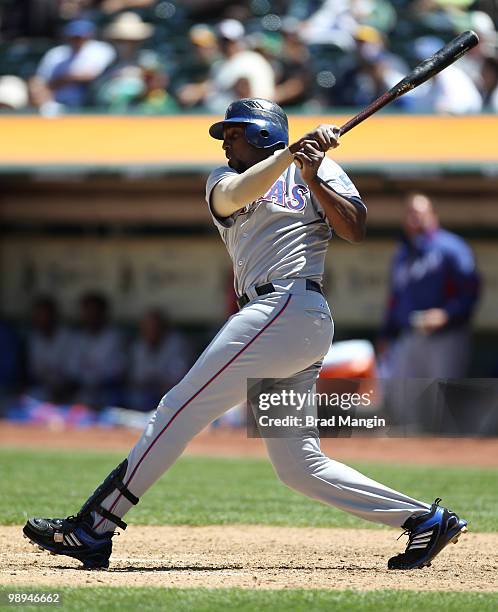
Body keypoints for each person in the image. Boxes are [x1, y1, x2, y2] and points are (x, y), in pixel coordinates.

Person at [23, 99, 467, 571]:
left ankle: (95, 526)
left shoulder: (319, 167)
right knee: (298, 466)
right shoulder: (221, 178)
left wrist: (314, 171)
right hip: (274, 317)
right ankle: (425, 519)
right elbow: (235, 195)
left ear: (262, 133)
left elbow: (354, 228)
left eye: (235, 133)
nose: (225, 141)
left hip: (292, 308)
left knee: (177, 407)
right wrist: (293, 156)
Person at [379, 193, 480, 380]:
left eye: (418, 213)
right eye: (409, 213)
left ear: (433, 215)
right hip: (409, 336)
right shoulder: (403, 253)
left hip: (446, 337)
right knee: (408, 402)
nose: (413, 218)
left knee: (443, 401)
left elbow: (470, 291)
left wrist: (447, 314)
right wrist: (386, 334)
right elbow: (395, 298)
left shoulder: (452, 248)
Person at [36, 19, 116, 108]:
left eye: (81, 37)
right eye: (74, 37)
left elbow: (92, 76)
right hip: (57, 103)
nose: (77, 40)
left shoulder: (101, 49)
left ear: (89, 36)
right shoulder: (56, 53)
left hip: (89, 103)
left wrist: (64, 79)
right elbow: (41, 81)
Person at [67, 292, 126, 408]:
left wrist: (98, 381)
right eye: (88, 312)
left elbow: (119, 372)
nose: (91, 316)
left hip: (108, 392)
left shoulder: (115, 338)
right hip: (82, 391)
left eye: (95, 312)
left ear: (103, 313)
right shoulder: (78, 339)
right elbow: (72, 371)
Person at [128, 309, 191, 412]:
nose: (151, 331)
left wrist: (155, 382)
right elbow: (137, 379)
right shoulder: (139, 346)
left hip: (171, 394)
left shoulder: (176, 344)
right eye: (147, 328)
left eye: (154, 327)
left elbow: (178, 378)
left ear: (163, 328)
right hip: (145, 394)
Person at [26, 296, 73, 403]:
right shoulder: (34, 338)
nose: (42, 319)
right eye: (38, 315)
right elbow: (34, 371)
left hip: (69, 390)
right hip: (42, 388)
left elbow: (73, 375)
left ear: (54, 315)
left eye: (45, 314)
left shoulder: (68, 337)